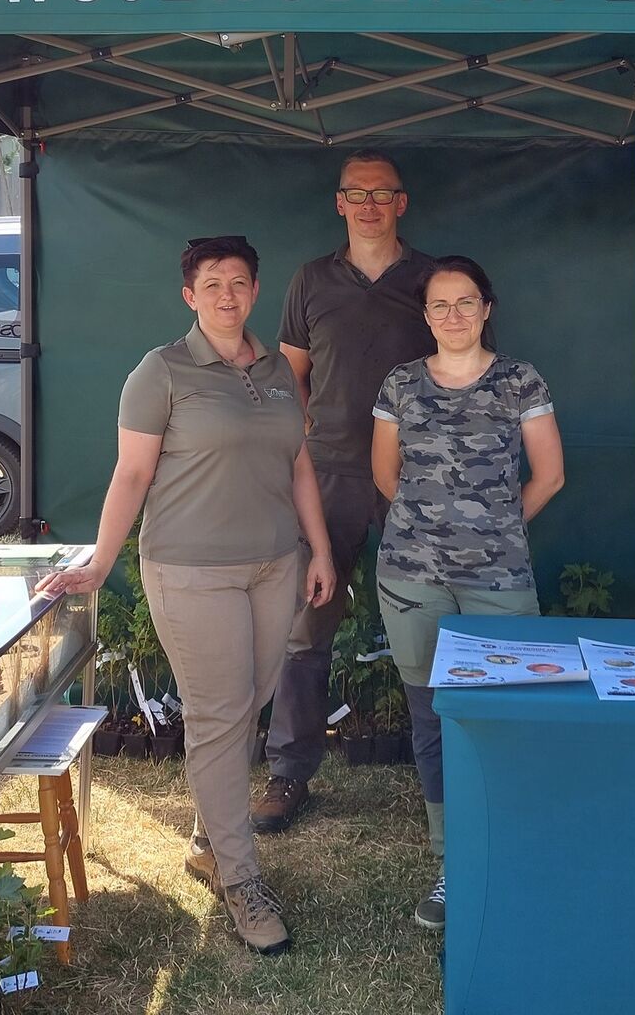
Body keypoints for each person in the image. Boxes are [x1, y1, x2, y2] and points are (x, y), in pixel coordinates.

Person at [38, 235, 336, 956]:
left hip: (274, 566)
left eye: (238, 282)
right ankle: (241, 879)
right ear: (189, 296)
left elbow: (299, 464)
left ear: (255, 290)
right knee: (220, 714)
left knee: (248, 704)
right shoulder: (161, 371)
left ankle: (208, 838)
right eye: (212, 284)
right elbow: (131, 475)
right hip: (191, 571)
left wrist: (320, 548)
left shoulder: (275, 370)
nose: (227, 295)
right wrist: (100, 562)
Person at [370, 255, 564, 931]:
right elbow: (386, 475)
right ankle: (453, 860)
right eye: (440, 304)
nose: (453, 315)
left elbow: (549, 475)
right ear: (426, 315)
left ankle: (512, 845)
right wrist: (438, 532)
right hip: (411, 577)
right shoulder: (400, 383)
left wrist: (494, 529)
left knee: (507, 711)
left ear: (487, 308)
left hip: (499, 579)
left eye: (466, 302)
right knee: (433, 716)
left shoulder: (520, 380)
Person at [256, 150, 438, 834]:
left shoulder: (433, 280)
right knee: (306, 628)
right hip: (328, 474)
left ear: (401, 202)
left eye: (381, 193)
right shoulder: (311, 279)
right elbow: (291, 374)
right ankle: (287, 773)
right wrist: (307, 436)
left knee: (429, 624)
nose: (369, 205)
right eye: (356, 194)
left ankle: (445, 775)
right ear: (339, 204)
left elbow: (460, 367)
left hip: (415, 477)